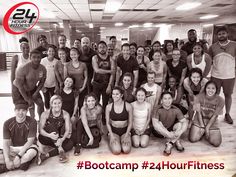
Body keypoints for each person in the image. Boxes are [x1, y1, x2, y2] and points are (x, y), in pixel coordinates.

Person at [209, 26, 236, 124]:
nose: (221, 35)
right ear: (217, 36)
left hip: (229, 76)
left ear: (227, 34)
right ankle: (214, 114)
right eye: (219, 34)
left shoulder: (234, 45)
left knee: (228, 95)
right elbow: (209, 61)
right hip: (216, 75)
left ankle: (227, 114)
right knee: (214, 95)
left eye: (223, 33)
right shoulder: (213, 47)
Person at [0, 103, 38, 174]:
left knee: (30, 155)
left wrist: (18, 156)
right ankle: (22, 164)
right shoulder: (7, 123)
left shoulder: (32, 121)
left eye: (23, 110)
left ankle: (6, 167)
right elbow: (6, 143)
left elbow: (30, 141)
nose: (20, 113)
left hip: (28, 148)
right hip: (14, 148)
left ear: (27, 111)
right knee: (4, 156)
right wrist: (7, 160)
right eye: (18, 110)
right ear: (14, 111)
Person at [37, 95, 73, 164]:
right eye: (55, 103)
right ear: (51, 104)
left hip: (57, 139)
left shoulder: (65, 114)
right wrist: (49, 135)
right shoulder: (45, 114)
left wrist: (62, 139)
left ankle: (45, 155)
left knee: (70, 144)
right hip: (46, 137)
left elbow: (67, 130)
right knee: (52, 125)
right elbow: (40, 130)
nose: (57, 105)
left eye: (59, 103)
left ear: (62, 103)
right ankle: (60, 150)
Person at [12, 49, 46, 119]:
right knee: (24, 107)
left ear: (41, 58)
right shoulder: (22, 68)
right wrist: (27, 99)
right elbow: (20, 86)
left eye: (38, 57)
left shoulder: (43, 68)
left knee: (41, 103)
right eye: (34, 57)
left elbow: (42, 82)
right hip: (18, 89)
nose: (36, 59)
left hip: (32, 88)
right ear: (30, 58)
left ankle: (41, 120)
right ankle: (31, 121)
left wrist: (36, 92)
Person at [189, 81, 224, 147]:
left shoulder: (221, 100)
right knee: (193, 139)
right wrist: (202, 126)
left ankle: (205, 132)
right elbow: (198, 112)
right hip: (199, 121)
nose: (210, 90)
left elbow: (215, 115)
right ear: (205, 89)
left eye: (213, 88)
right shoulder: (198, 97)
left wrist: (207, 128)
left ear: (216, 90)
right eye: (208, 88)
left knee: (216, 143)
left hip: (211, 122)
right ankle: (202, 132)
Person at [152, 91, 188, 156]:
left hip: (170, 129)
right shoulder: (157, 108)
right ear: (161, 100)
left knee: (180, 124)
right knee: (159, 123)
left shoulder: (176, 109)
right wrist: (168, 134)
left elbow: (185, 122)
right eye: (165, 99)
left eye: (169, 98)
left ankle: (170, 144)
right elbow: (155, 125)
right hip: (160, 132)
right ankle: (176, 140)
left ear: (172, 99)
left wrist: (180, 132)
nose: (167, 101)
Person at [92, 41, 115, 122]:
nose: (102, 49)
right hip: (96, 83)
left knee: (105, 103)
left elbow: (113, 74)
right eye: (100, 47)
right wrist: (109, 71)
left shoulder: (111, 59)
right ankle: (96, 118)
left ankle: (104, 118)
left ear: (106, 48)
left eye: (103, 47)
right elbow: (97, 70)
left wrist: (110, 85)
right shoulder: (95, 58)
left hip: (106, 84)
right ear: (98, 49)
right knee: (96, 102)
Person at [105, 87, 133, 155]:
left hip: (125, 131)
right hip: (114, 131)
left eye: (117, 94)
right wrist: (111, 135)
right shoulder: (108, 107)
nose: (114, 96)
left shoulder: (128, 106)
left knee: (126, 150)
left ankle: (123, 139)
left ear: (121, 95)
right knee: (116, 151)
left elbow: (130, 123)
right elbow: (108, 123)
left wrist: (126, 135)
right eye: (113, 94)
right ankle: (116, 140)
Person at [60, 77, 81, 155]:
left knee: (72, 123)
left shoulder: (75, 92)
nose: (68, 83)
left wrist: (74, 115)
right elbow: (56, 104)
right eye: (67, 81)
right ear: (64, 81)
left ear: (72, 84)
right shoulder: (59, 91)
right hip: (62, 114)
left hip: (72, 113)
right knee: (63, 127)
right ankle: (66, 143)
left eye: (70, 82)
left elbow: (76, 104)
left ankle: (76, 144)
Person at [41, 45, 58, 109]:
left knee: (54, 100)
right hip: (45, 85)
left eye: (53, 51)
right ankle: (48, 113)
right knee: (46, 100)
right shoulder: (43, 61)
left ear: (55, 52)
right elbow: (40, 74)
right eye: (50, 51)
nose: (51, 52)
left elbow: (57, 75)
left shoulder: (56, 61)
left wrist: (56, 86)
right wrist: (42, 86)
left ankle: (54, 113)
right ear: (47, 52)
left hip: (53, 85)